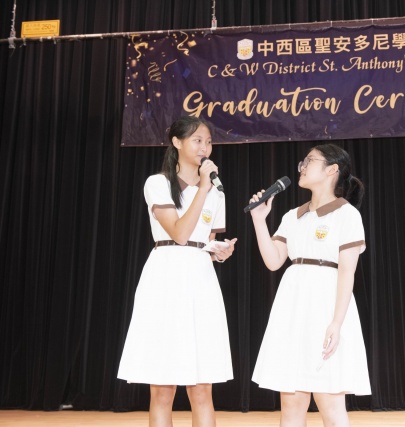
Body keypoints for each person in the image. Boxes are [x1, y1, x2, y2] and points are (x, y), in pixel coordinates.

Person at [118, 116, 237, 427]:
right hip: (165, 278)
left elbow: (206, 241)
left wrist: (220, 252)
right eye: (197, 140)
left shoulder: (217, 193)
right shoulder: (157, 183)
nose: (204, 147)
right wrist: (202, 188)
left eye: (208, 141)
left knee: (202, 389)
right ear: (177, 142)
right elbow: (180, 234)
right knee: (162, 388)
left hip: (201, 280)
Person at [248, 144, 371, 427]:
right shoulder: (293, 215)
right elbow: (273, 261)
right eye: (303, 162)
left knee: (330, 403)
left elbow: (347, 273)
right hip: (293, 309)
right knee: (291, 405)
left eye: (310, 161)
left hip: (326, 309)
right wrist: (259, 220)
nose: (302, 166)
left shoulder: (347, 214)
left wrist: (336, 323)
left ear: (332, 170)